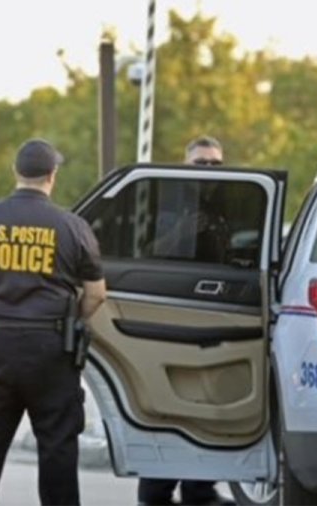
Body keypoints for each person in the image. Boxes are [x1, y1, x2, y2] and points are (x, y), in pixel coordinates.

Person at [0, 139, 108, 506]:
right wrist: (70, 322)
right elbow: (97, 294)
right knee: (58, 451)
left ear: (15, 173)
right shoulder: (73, 226)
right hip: (52, 351)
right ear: (52, 176)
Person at [137, 136, 235, 506]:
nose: (208, 170)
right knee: (166, 411)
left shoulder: (227, 205)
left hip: (212, 319)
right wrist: (183, 230)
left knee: (207, 410)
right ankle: (155, 495)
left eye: (215, 163)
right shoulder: (165, 200)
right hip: (171, 318)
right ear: (185, 163)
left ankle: (200, 490)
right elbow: (146, 254)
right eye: (201, 163)